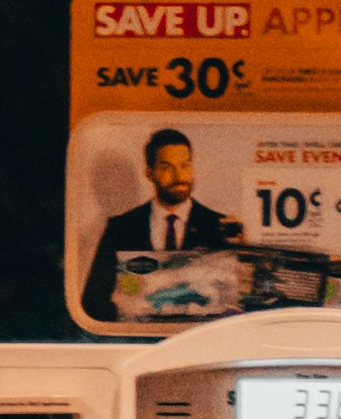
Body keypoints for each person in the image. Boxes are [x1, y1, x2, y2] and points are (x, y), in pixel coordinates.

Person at [82, 122, 252, 319]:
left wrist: (247, 257)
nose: (179, 176)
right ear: (149, 172)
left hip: (202, 344)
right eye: (166, 167)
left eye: (185, 165)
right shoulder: (121, 228)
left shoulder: (221, 227)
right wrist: (128, 318)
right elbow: (94, 302)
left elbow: (243, 305)